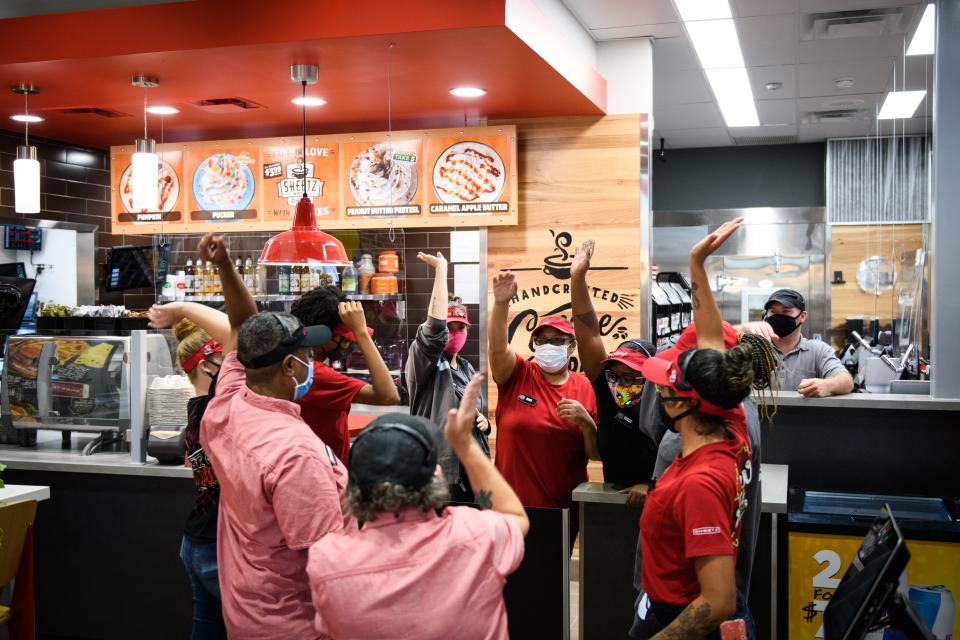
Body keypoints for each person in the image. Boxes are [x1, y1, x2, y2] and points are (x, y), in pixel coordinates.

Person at [195, 233, 351, 639]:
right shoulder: (295, 455)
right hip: (295, 621)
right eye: (306, 355)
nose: (312, 361)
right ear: (288, 367)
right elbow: (326, 557)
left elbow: (241, 323)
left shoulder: (227, 401)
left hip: (248, 607)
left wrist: (225, 266)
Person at [306, 372, 528, 640]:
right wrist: (465, 446)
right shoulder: (474, 535)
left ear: (355, 487)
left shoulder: (326, 560)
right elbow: (514, 516)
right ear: (435, 475)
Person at [631, 219, 756, 640]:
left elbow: (717, 601)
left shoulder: (701, 481)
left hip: (677, 614)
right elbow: (711, 345)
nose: (657, 388)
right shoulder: (730, 422)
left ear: (681, 402)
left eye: (665, 384)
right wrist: (696, 264)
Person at [489, 271, 599, 546]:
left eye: (557, 340)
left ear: (572, 346)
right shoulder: (518, 375)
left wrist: (587, 423)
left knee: (551, 586)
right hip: (510, 509)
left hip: (561, 513)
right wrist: (501, 304)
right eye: (542, 340)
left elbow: (595, 454)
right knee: (510, 586)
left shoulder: (585, 387)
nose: (549, 346)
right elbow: (497, 349)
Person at [570, 239, 660, 507]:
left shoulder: (668, 407)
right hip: (613, 507)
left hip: (658, 507)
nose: (621, 383)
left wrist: (651, 485)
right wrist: (576, 278)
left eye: (631, 376)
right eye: (615, 375)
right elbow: (588, 334)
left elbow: (686, 461)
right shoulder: (607, 391)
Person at [406, 250, 491, 502]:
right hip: (440, 473)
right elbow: (433, 331)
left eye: (460, 328)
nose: (454, 333)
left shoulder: (466, 368)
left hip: (473, 471)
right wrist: (441, 271)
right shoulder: (426, 362)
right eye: (449, 327)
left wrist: (485, 425)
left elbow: (472, 414)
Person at [290, 286, 401, 462]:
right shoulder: (315, 374)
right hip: (327, 474)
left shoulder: (295, 364)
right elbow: (388, 396)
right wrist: (361, 332)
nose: (349, 343)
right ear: (323, 333)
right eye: (345, 338)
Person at [170, 318, 227, 639]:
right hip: (216, 545)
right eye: (228, 362)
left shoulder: (197, 409)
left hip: (196, 541)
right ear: (207, 366)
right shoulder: (217, 413)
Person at [738, 289, 853, 397]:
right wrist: (742, 329)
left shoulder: (818, 350)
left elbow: (846, 381)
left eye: (786, 311)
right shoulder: (753, 348)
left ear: (802, 316)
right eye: (773, 312)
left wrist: (828, 385)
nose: (778, 317)